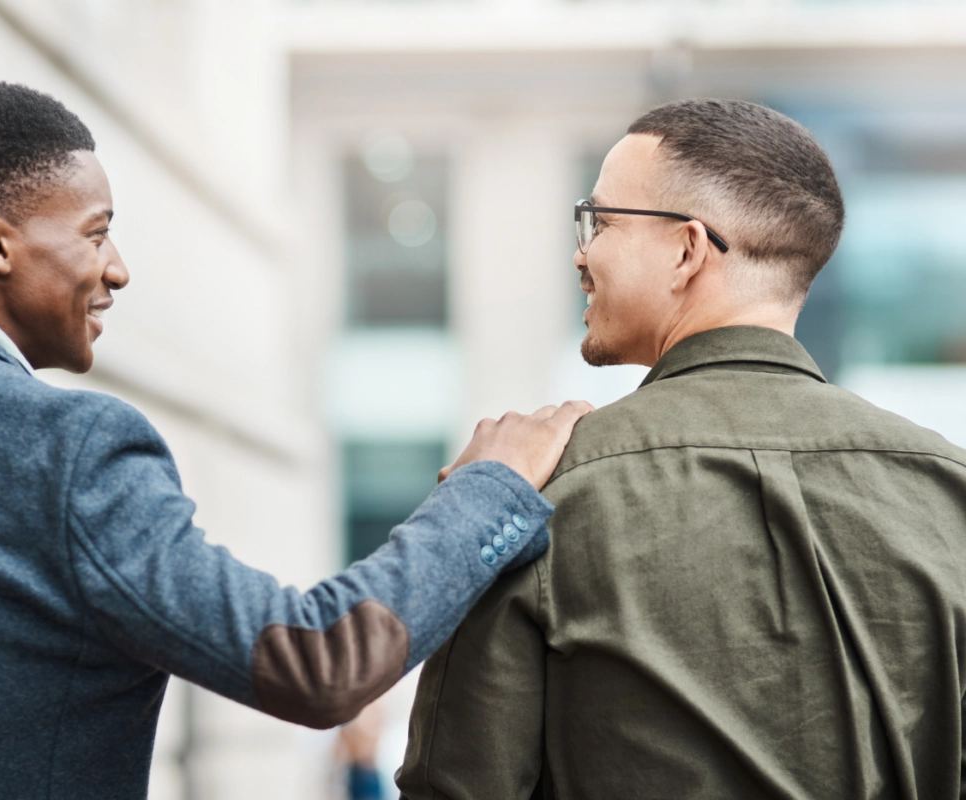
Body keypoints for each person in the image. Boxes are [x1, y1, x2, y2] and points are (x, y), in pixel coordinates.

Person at [0, 80, 594, 800]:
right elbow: (318, 660)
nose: (118, 268)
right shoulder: (72, 453)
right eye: (96, 233)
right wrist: (491, 487)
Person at [397, 99, 966, 799]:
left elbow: (456, 784)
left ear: (688, 250)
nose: (581, 252)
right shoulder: (949, 491)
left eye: (599, 222)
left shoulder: (533, 492)